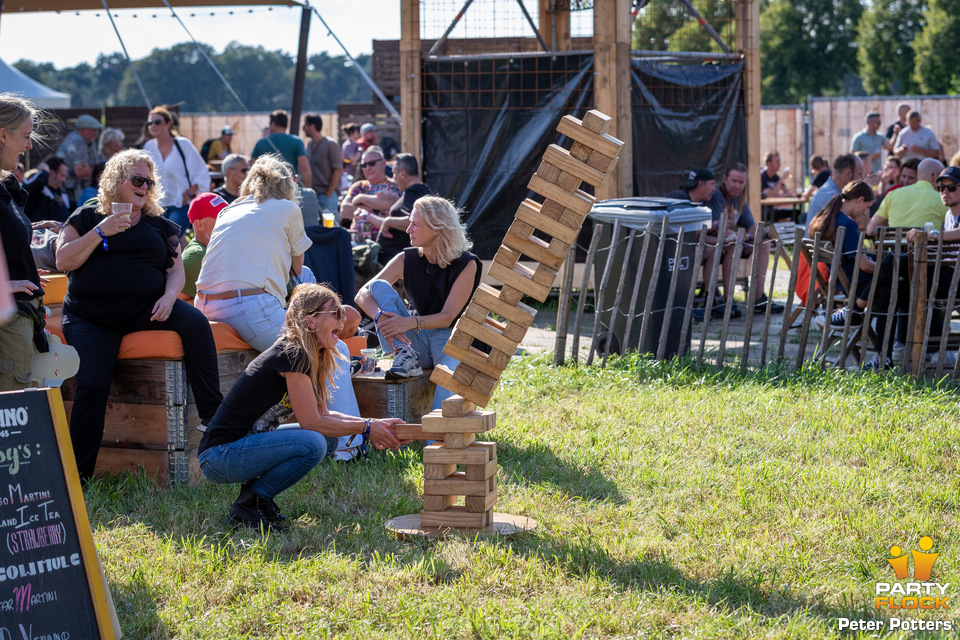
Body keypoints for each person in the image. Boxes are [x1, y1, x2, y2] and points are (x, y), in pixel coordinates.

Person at [55, 149, 222, 482]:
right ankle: (78, 478)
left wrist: (170, 297)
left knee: (195, 322)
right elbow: (63, 261)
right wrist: (101, 231)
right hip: (92, 318)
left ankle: (214, 419)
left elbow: (175, 270)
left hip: (145, 310)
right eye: (137, 179)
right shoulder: (87, 217)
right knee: (92, 384)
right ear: (117, 180)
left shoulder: (159, 225)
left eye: (149, 181)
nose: (144, 186)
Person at [198, 283, 405, 530]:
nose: (345, 318)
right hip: (220, 457)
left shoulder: (312, 354)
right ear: (310, 322)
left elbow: (323, 415)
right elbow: (311, 423)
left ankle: (257, 501)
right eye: (336, 313)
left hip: (242, 448)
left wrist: (372, 424)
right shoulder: (293, 353)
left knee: (325, 440)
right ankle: (249, 504)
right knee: (314, 441)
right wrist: (367, 428)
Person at [355, 196, 480, 410]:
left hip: (450, 338)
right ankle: (405, 355)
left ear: (437, 228)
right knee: (377, 287)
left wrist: (410, 322)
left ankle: (436, 439)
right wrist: (379, 316)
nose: (408, 229)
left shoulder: (467, 263)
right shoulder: (407, 258)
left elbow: (448, 316)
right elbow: (362, 293)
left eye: (415, 224)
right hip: (414, 342)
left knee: (446, 379)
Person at [194, 154, 312, 352]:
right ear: (286, 185)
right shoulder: (288, 208)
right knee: (325, 345)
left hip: (204, 306)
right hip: (247, 307)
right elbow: (297, 269)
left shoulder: (228, 210)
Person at [0, 94, 51, 391]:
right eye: (26, 136)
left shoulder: (6, 187)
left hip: (18, 320)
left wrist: (24, 269)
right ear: (3, 135)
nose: (29, 145)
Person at [702, 163, 784, 318]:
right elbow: (720, 230)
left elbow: (752, 226)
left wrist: (755, 233)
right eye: (734, 181)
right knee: (736, 245)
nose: (737, 186)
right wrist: (743, 235)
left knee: (764, 243)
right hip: (714, 244)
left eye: (741, 182)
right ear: (725, 179)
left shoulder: (739, 199)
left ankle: (758, 298)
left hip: (733, 242)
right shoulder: (717, 197)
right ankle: (728, 299)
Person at [809, 181, 877, 331]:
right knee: (894, 275)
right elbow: (864, 265)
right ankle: (854, 313)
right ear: (859, 200)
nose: (865, 213)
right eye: (866, 207)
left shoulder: (825, 219)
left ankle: (853, 313)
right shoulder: (848, 224)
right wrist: (885, 267)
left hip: (841, 281)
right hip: (857, 283)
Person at [143, 106, 210, 235]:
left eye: (157, 122)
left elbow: (201, 173)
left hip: (180, 204)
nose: (153, 126)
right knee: (167, 241)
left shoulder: (183, 145)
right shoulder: (148, 147)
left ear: (168, 124)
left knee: (170, 237)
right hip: (157, 206)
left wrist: (189, 195)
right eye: (150, 123)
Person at [866, 158, 946, 237]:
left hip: (896, 249)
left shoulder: (892, 195)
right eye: (942, 179)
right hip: (929, 249)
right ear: (936, 177)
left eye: (911, 178)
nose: (906, 181)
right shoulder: (943, 199)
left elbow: (870, 230)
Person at [377, 153, 432, 265]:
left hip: (394, 262)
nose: (393, 179)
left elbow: (417, 222)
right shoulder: (423, 191)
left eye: (393, 173)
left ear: (402, 174)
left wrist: (388, 221)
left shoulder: (413, 192)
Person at [179, 193, 229, 301]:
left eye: (228, 216)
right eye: (221, 217)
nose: (228, 221)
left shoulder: (214, 250)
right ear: (199, 224)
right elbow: (175, 305)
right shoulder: (195, 257)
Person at [338, 146, 401, 232]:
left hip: (386, 239)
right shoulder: (358, 186)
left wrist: (360, 198)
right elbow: (344, 210)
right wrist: (376, 206)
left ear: (383, 163)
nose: (367, 168)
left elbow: (389, 202)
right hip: (359, 240)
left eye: (372, 163)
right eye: (364, 165)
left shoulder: (395, 184)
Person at [251, 110, 311, 188]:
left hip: (266, 189)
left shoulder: (260, 143)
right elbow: (305, 170)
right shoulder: (297, 141)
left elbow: (253, 168)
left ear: (272, 124)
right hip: (289, 188)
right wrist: (308, 190)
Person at [56, 113, 102, 206]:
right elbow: (80, 171)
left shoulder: (89, 141)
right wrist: (98, 174)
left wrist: (92, 171)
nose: (96, 134)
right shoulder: (78, 141)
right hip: (69, 187)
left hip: (73, 185)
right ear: (83, 130)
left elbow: (94, 165)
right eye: (93, 130)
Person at [806, 154, 862, 225]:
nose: (861, 179)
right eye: (860, 174)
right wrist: (864, 190)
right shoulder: (831, 196)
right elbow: (860, 225)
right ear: (848, 174)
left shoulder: (831, 191)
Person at [303, 114, 343, 214]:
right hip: (314, 195)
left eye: (305, 125)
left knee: (329, 227)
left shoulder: (331, 144)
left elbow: (338, 170)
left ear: (312, 126)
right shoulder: (309, 144)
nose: (303, 128)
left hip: (327, 196)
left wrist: (329, 193)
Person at [23, 156, 70, 223]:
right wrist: (44, 172)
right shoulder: (38, 190)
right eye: (62, 176)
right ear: (52, 173)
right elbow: (35, 185)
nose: (64, 180)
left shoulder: (60, 192)